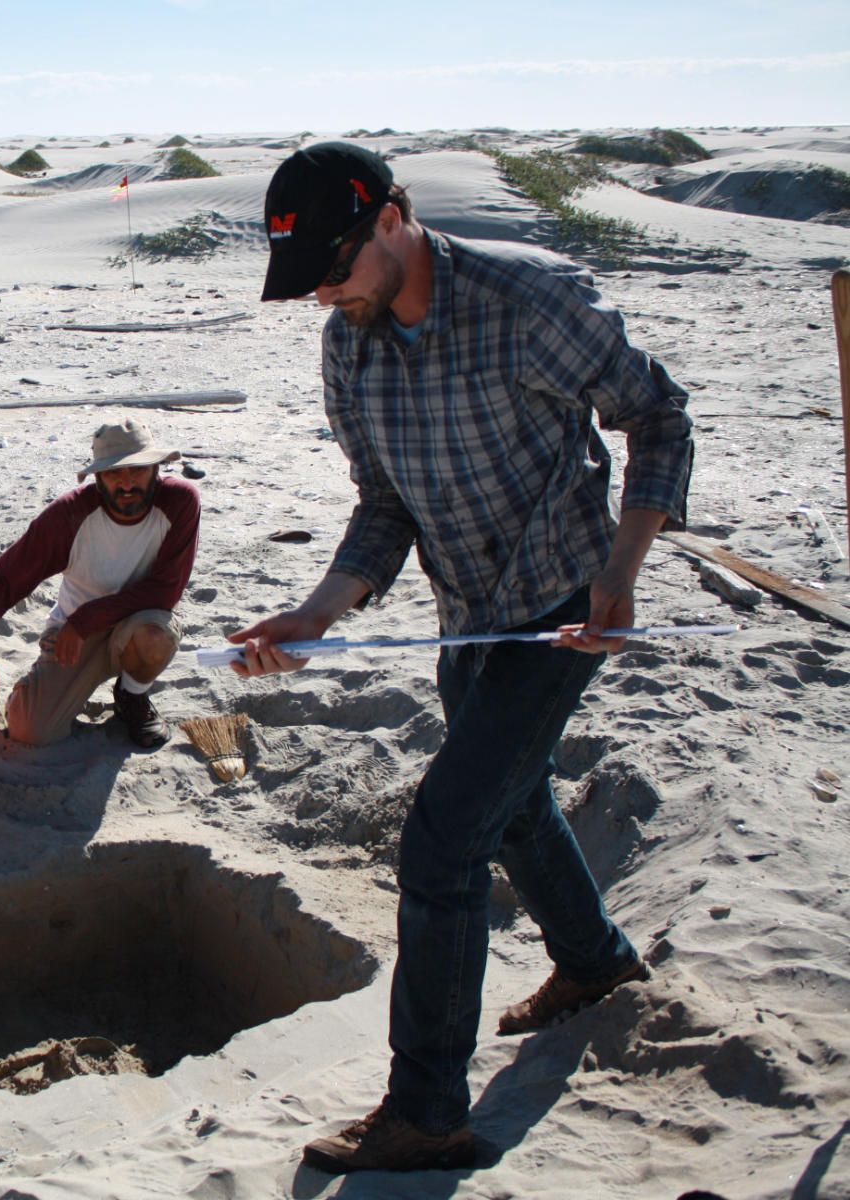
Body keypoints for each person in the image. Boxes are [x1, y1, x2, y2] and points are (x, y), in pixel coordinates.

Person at [231, 143, 694, 1174]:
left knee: (444, 837)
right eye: (305, 281)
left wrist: (624, 565)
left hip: (567, 600)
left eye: (332, 266)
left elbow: (657, 413)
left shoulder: (527, 299)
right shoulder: (348, 342)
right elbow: (384, 505)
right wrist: (317, 611)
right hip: (466, 612)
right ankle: (595, 961)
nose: (323, 295)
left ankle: (429, 1109)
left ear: (391, 219)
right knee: (513, 801)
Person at [0, 420, 199, 749]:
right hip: (71, 637)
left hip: (134, 625)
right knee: (30, 731)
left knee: (157, 636)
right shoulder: (70, 515)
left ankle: (131, 697)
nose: (127, 484)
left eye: (138, 470)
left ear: (157, 468)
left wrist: (88, 618)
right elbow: (5, 578)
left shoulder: (180, 502)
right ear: (98, 477)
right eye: (115, 473)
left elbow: (166, 590)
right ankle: (38, 692)